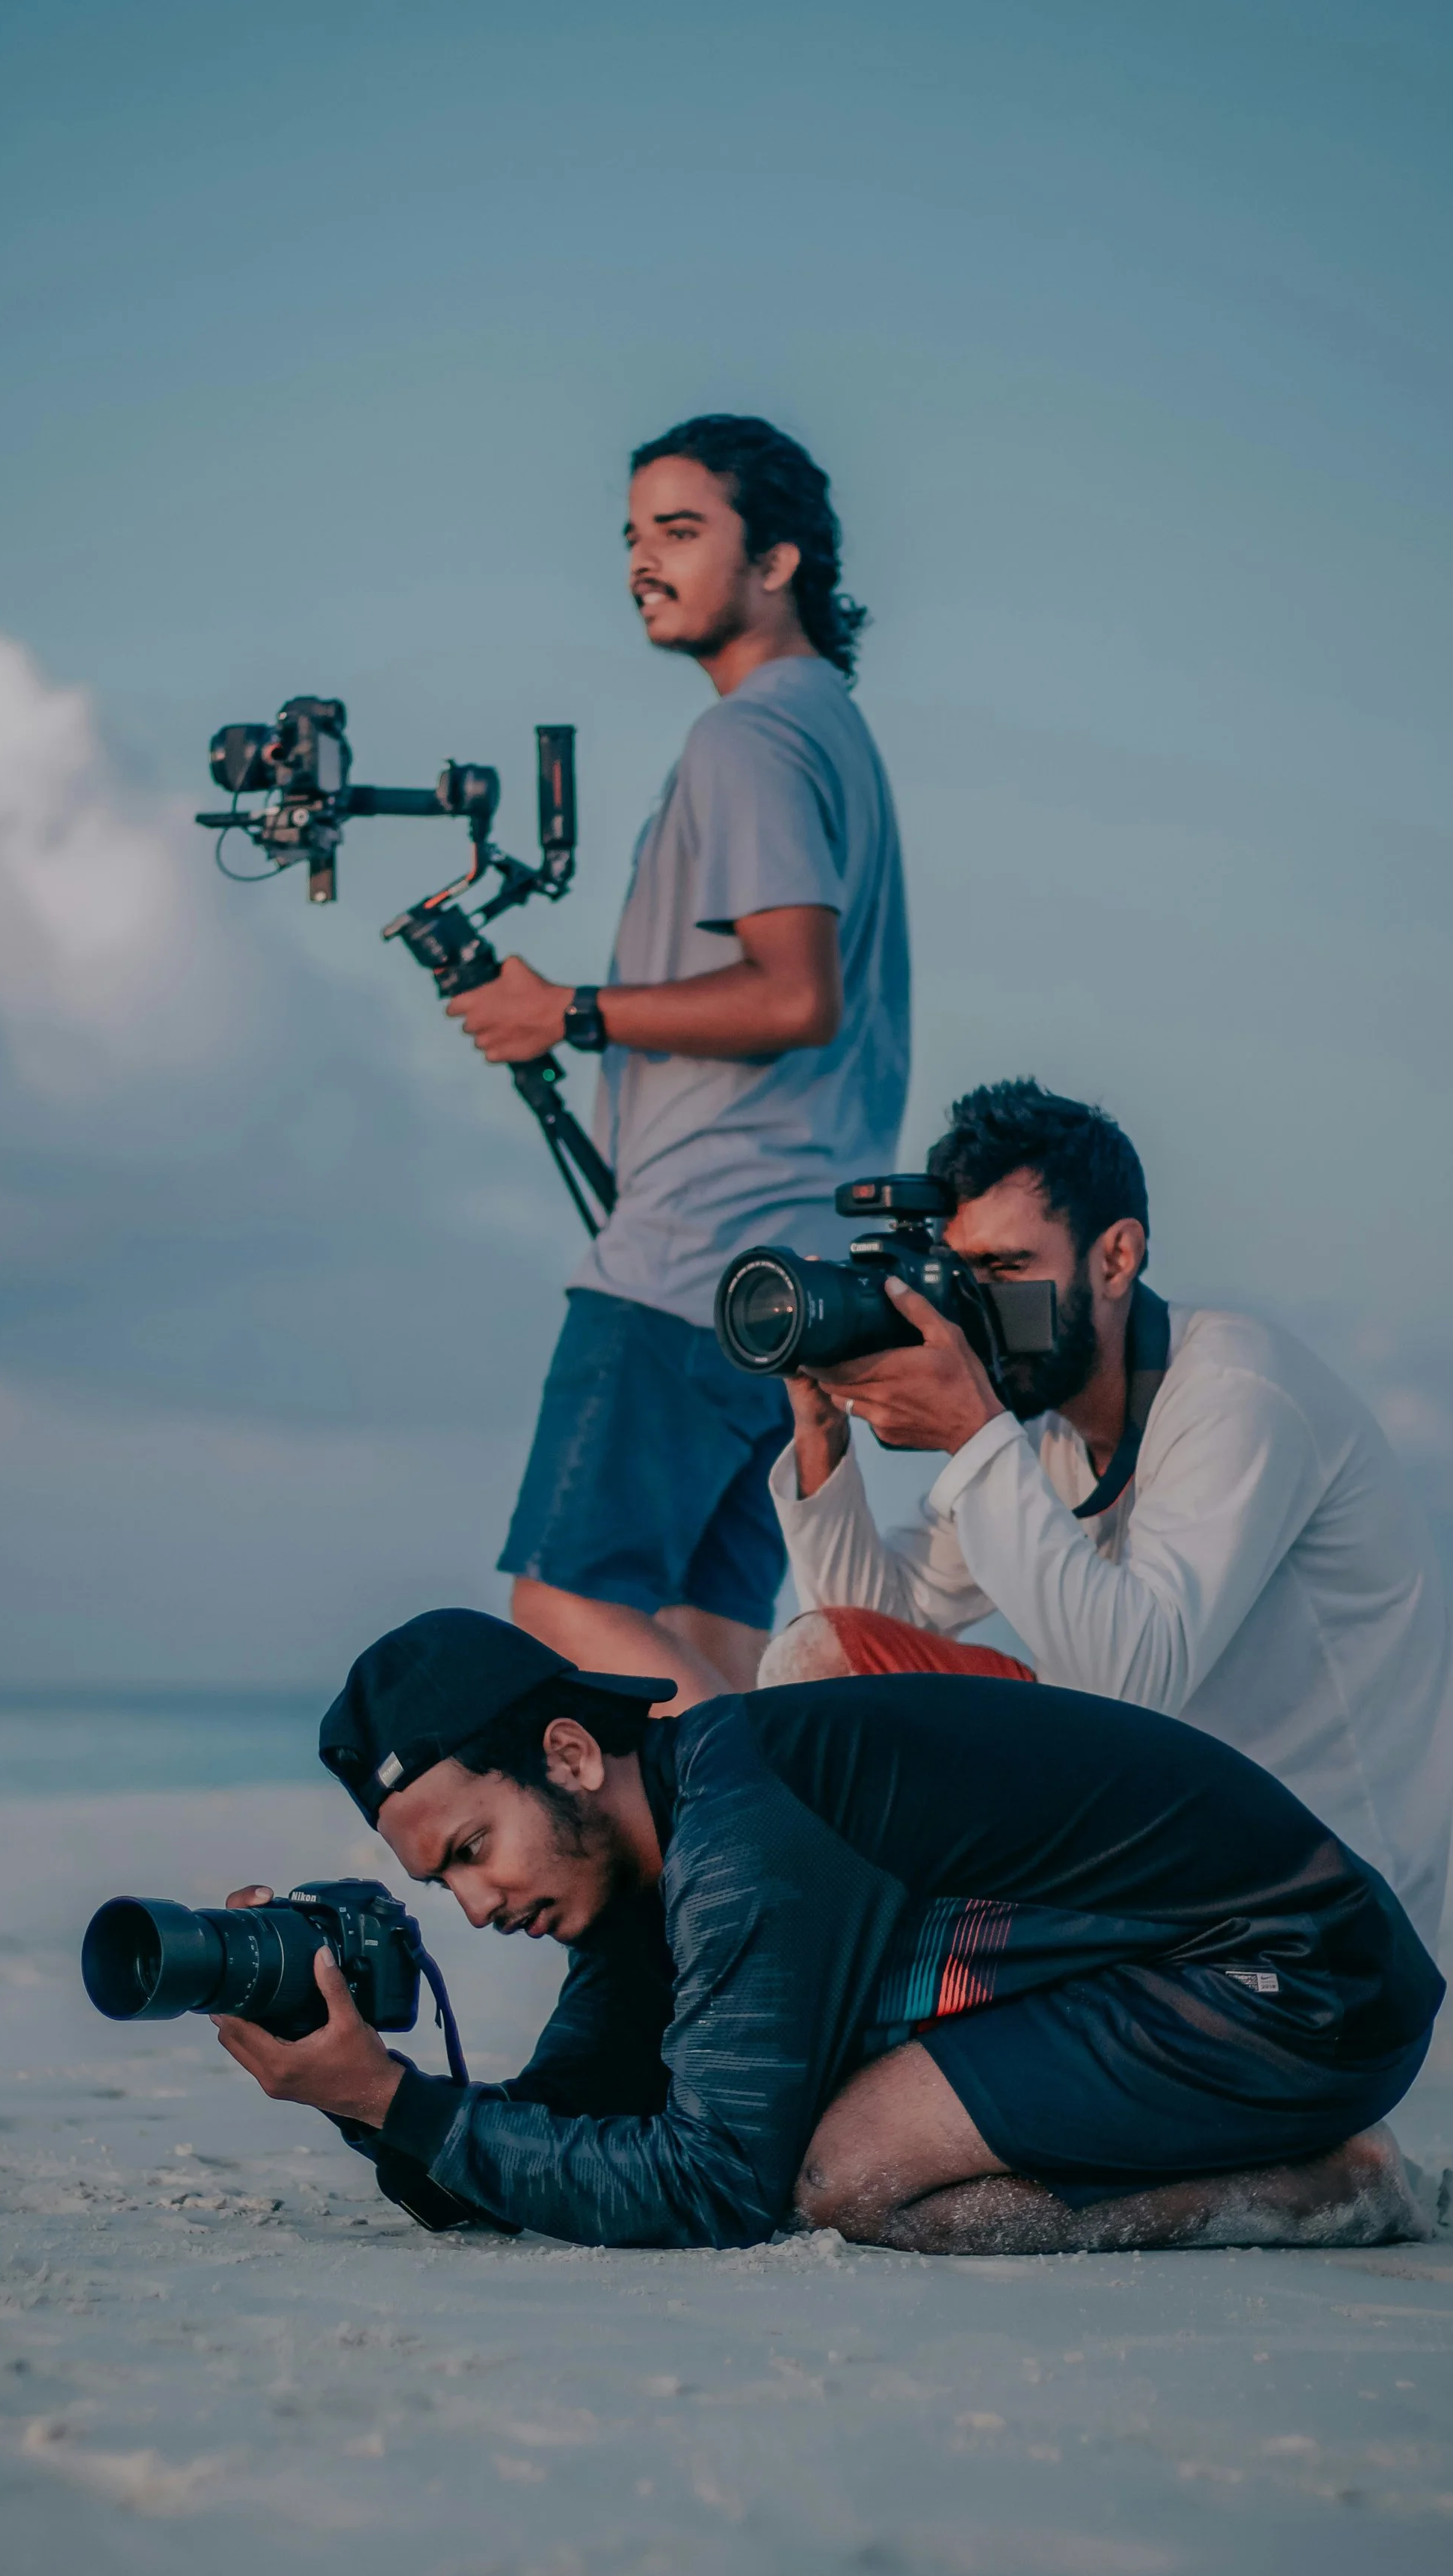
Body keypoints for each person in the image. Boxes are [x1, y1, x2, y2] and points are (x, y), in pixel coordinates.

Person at [212, 1609, 1444, 2255]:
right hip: (1209, 1972)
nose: (476, 1908)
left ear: (572, 1756)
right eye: (443, 1886)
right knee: (842, 2146)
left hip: (1293, 1981)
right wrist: (354, 2088)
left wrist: (398, 2104)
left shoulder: (745, 1830)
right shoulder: (658, 1860)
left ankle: (1328, 2187)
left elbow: (715, 2187)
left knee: (850, 2173)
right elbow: (554, 2141)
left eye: (473, 1850)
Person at [760, 1081, 1453, 1948]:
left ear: (1116, 1258)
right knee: (817, 1666)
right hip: (1162, 1834)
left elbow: (1131, 1681)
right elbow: (865, 1640)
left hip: (1318, 1891)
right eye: (959, 1272)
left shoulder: (1235, 1392)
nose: (975, 1309)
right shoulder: (1047, 1429)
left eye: (1007, 1270)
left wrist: (971, 1434)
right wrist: (822, 1428)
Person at [451, 416, 910, 1708]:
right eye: (634, 536)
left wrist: (569, 1013)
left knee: (566, 1602)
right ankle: (808, 1884)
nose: (643, 563)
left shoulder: (750, 737)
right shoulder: (829, 727)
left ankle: (783, 1873)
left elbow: (793, 991)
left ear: (778, 559)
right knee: (709, 1638)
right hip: (787, 1269)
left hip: (697, 1246)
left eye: (682, 531)